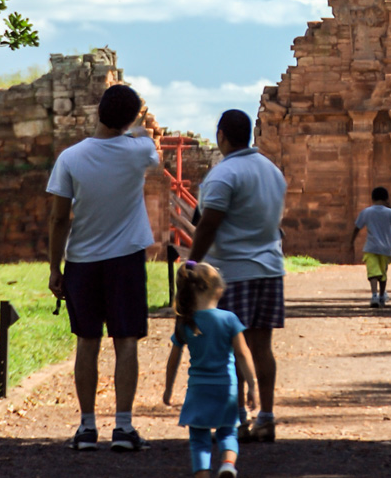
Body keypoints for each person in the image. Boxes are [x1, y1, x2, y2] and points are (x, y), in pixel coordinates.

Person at [47, 84, 159, 451]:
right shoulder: (139, 151)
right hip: (126, 258)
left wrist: (55, 268)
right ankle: (123, 427)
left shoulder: (70, 158)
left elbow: (59, 219)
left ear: (98, 112)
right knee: (126, 341)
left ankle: (86, 427)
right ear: (129, 119)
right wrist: (137, 126)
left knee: (87, 341)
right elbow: (148, 146)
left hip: (82, 261)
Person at [187, 109, 286, 443]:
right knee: (262, 346)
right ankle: (267, 416)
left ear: (221, 136)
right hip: (269, 269)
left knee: (231, 349)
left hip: (232, 271)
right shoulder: (273, 172)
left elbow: (208, 224)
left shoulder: (223, 175)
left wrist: (191, 263)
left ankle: (238, 419)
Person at [163, 261, 258, 478]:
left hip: (198, 390)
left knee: (199, 439)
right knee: (228, 432)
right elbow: (243, 354)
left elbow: (173, 360)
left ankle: (202, 474)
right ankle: (227, 464)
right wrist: (252, 386)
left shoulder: (186, 322)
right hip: (227, 388)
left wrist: (168, 389)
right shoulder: (229, 319)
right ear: (217, 289)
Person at [350, 187, 391, 307]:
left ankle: (374, 295)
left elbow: (357, 227)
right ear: (386, 198)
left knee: (373, 272)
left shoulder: (367, 212)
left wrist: (351, 241)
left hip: (371, 247)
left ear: (372, 198)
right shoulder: (390, 212)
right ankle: (382, 295)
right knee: (383, 273)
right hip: (386, 248)